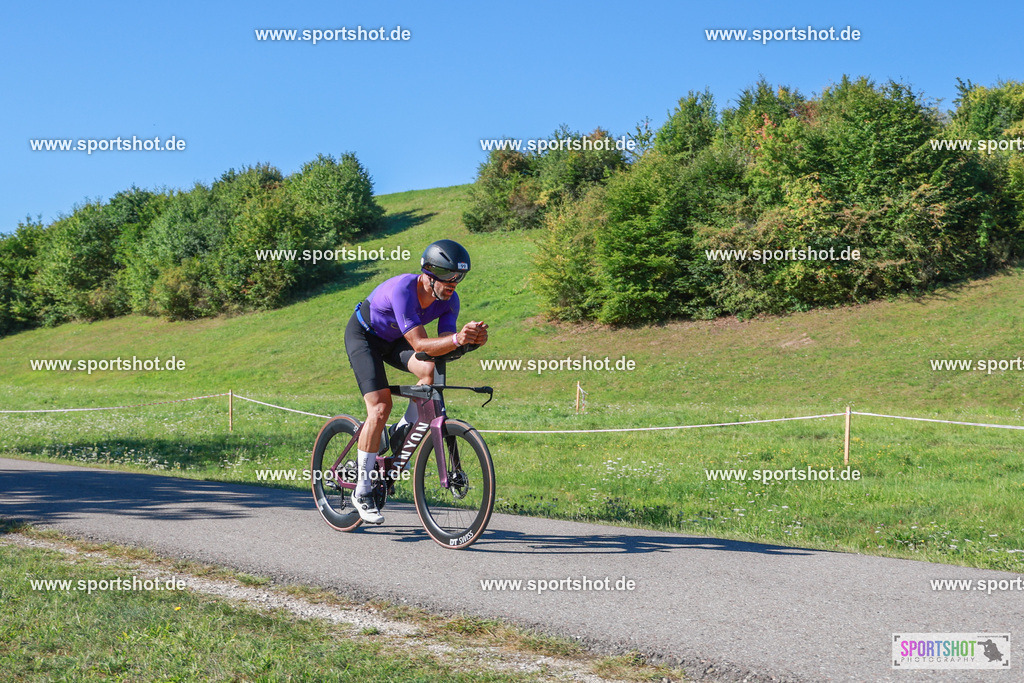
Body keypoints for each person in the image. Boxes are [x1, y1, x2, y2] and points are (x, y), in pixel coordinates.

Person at [344, 239, 488, 524]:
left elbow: (441, 348)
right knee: (380, 407)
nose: (453, 284)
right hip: (365, 337)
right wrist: (458, 338)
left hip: (395, 339)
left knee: (429, 371)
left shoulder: (450, 301)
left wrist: (470, 342)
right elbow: (421, 342)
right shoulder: (404, 291)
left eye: (459, 278)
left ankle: (400, 432)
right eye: (448, 276)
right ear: (428, 272)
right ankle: (361, 491)